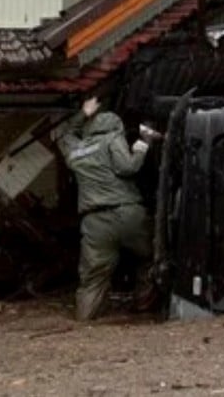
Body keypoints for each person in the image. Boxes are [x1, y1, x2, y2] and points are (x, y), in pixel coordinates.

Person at [57, 97, 158, 320]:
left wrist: (83, 113)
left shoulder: (77, 150)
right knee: (151, 257)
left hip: (94, 222)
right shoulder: (112, 138)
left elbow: (63, 136)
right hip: (127, 213)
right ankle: (144, 304)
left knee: (93, 276)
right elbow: (128, 167)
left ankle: (86, 316)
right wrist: (143, 143)